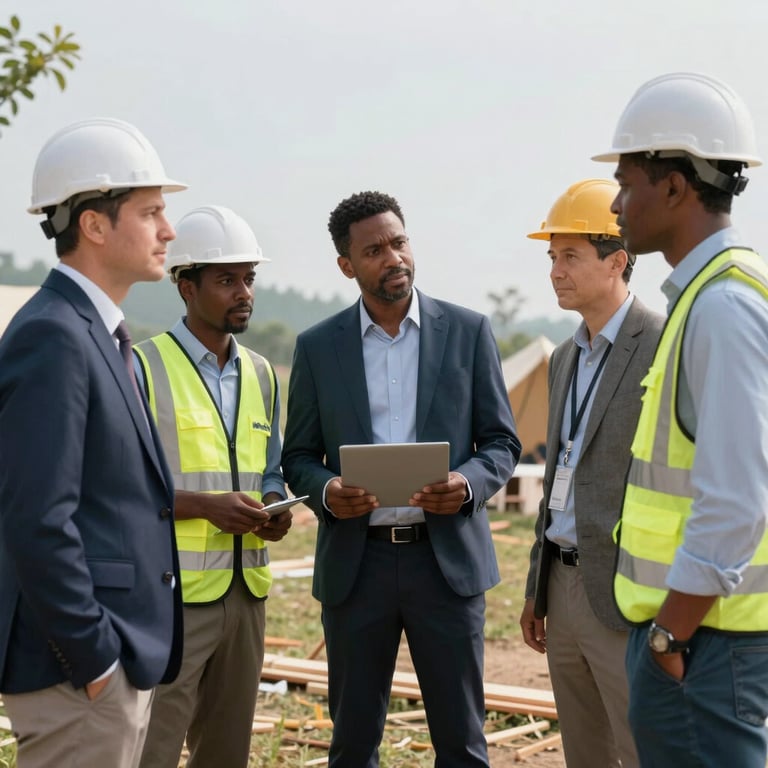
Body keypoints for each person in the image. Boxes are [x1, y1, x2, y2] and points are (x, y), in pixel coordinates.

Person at [281, 190, 521, 767]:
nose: (393, 258)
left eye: (399, 241)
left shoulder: (468, 332)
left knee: (463, 744)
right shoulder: (317, 348)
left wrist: (464, 485)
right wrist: (327, 492)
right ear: (347, 266)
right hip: (355, 567)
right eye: (374, 250)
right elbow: (298, 457)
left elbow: (502, 443)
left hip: (446, 568)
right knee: (354, 744)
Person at [592, 72, 768, 766]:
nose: (615, 201)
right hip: (698, 640)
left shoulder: (722, 311)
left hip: (700, 645)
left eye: (628, 181)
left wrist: (669, 635)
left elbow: (736, 500)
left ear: (675, 187)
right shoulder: (706, 300)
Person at [0, 117, 186, 768]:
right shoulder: (53, 336)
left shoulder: (97, 334)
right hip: (78, 679)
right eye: (152, 212)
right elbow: (36, 519)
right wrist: (94, 658)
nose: (168, 230)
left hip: (109, 671)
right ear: (94, 224)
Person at [134, 205, 291, 768]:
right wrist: (204, 506)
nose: (244, 292)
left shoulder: (263, 373)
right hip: (171, 599)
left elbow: (269, 471)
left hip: (247, 595)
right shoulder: (142, 369)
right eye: (227, 280)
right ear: (185, 285)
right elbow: (120, 492)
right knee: (152, 749)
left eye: (249, 278)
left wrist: (275, 506)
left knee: (226, 753)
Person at [519, 179, 663, 768]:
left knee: (642, 748)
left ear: (618, 261)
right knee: (584, 750)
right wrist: (537, 585)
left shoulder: (661, 344)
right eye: (552, 257)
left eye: (570, 256)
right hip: (563, 580)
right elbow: (560, 474)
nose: (556, 270)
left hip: (626, 591)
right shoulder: (564, 357)